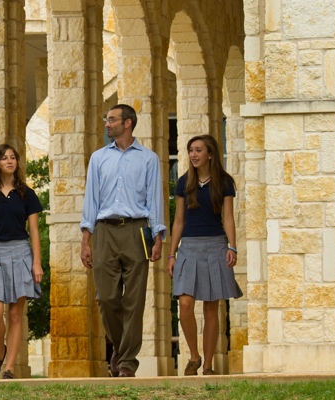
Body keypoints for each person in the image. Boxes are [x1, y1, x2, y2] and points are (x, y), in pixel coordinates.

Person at [80, 104, 167, 378]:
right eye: (107, 120)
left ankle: (128, 362)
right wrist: (86, 240)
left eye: (112, 120)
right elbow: (91, 200)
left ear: (127, 123)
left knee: (135, 299)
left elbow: (154, 200)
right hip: (104, 230)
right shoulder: (98, 158)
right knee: (105, 297)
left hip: (137, 230)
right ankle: (120, 346)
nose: (107, 124)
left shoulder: (149, 159)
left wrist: (158, 237)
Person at [167, 134, 243, 376]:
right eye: (191, 150)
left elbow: (228, 217)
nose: (193, 154)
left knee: (211, 308)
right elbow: (178, 221)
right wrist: (172, 254)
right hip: (188, 246)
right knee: (185, 304)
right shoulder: (183, 182)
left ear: (210, 154)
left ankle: (208, 365)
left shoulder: (224, 182)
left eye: (198, 150)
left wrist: (232, 246)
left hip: (216, 246)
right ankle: (194, 356)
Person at [0, 143, 44, 380]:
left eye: (12, 157)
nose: (9, 161)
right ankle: (0, 351)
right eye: (4, 158)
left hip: (21, 253)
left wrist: (37, 262)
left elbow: (34, 231)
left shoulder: (27, 194)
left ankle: (10, 367)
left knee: (15, 315)